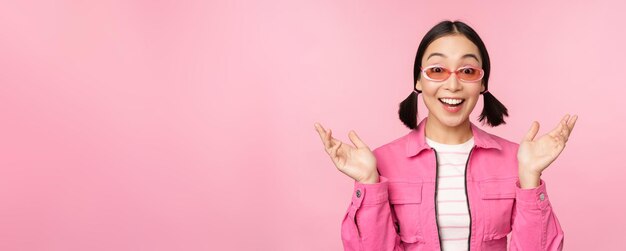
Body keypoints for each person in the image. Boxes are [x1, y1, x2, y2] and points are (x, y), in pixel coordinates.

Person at [314, 20, 577, 251]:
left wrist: (530, 178)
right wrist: (369, 183)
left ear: (483, 83)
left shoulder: (516, 160)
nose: (452, 84)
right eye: (437, 70)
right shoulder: (380, 162)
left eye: (467, 71)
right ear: (418, 80)